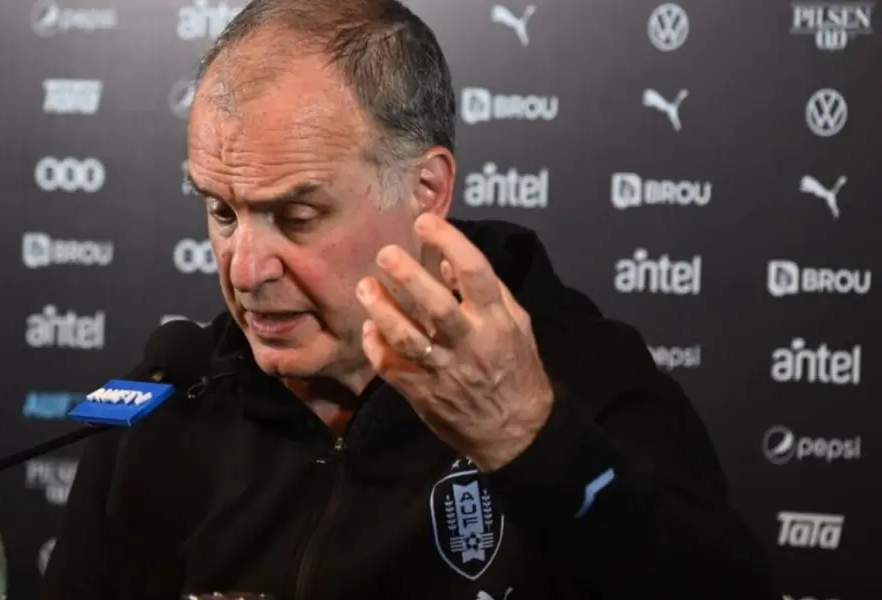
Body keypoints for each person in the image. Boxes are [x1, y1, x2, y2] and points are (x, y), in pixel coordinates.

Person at [43, 0, 780, 598]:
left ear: (425, 189)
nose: (246, 268)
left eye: (297, 216)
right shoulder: (166, 398)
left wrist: (528, 442)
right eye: (222, 212)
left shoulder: (583, 381)